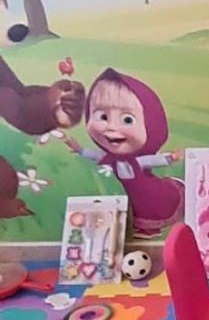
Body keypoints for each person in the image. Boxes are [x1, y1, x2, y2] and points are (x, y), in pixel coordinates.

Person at [63, 68, 183, 237]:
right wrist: (80, 150)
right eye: (103, 117)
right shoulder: (111, 159)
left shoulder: (137, 162)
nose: (111, 127)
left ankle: (152, 225)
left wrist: (169, 158)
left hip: (148, 190)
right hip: (131, 193)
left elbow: (151, 160)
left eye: (127, 119)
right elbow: (96, 155)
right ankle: (141, 226)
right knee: (136, 206)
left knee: (150, 205)